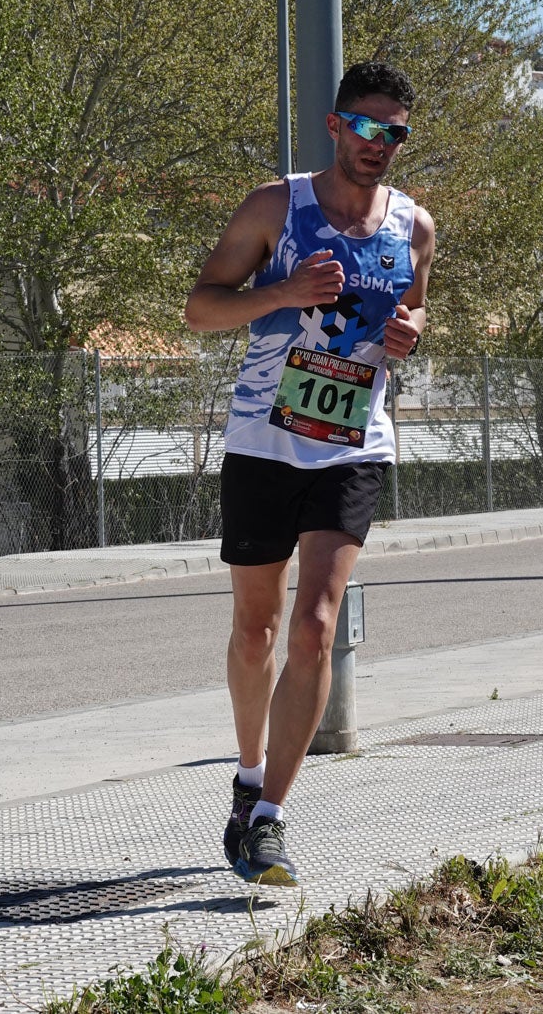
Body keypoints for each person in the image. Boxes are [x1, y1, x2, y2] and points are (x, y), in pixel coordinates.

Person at [184, 61, 435, 886]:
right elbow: (200, 307)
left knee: (316, 625)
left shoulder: (413, 226)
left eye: (394, 132)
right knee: (256, 628)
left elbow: (415, 309)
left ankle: (269, 819)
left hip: (353, 440)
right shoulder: (275, 206)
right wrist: (283, 291)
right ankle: (246, 773)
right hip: (264, 437)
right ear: (334, 126)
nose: (379, 145)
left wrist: (410, 333)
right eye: (366, 127)